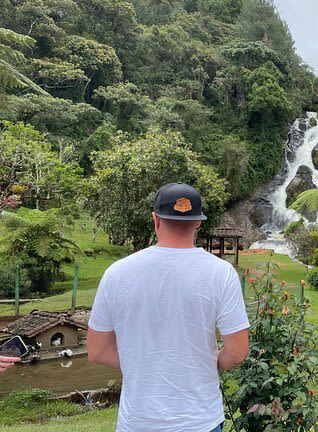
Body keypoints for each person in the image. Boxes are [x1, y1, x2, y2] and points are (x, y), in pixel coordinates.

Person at [88, 183, 250, 432]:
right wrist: (205, 362)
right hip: (200, 421)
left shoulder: (117, 273)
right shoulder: (221, 273)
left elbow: (97, 351)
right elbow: (238, 353)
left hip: (137, 422)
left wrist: (144, 363)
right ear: (198, 223)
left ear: (155, 219)